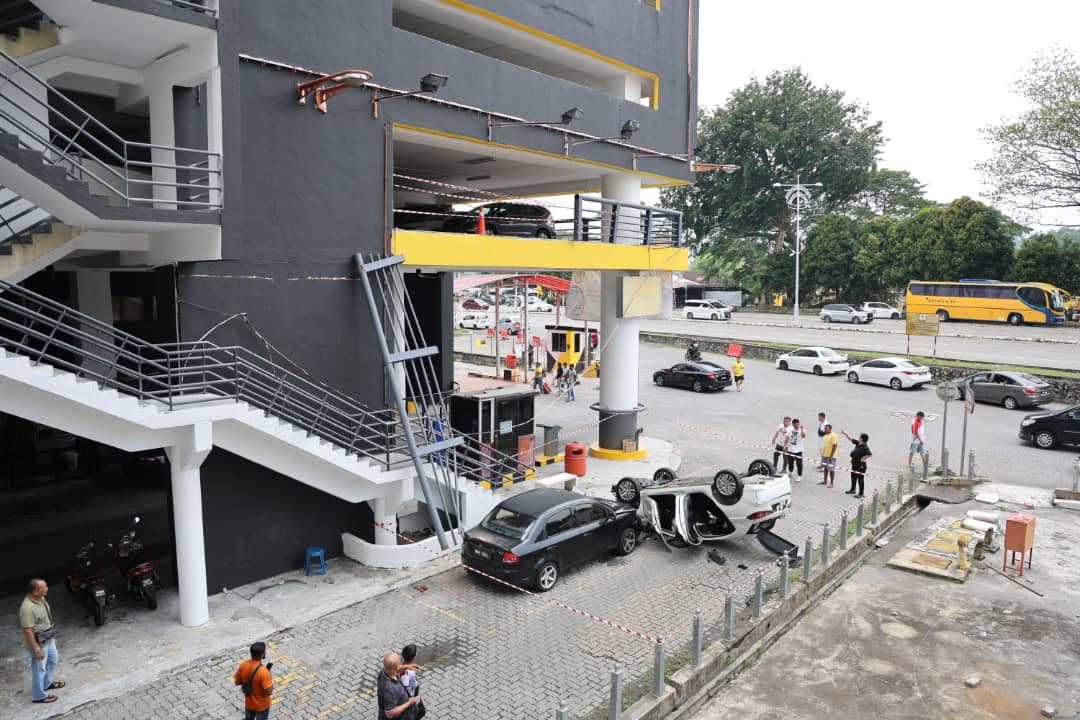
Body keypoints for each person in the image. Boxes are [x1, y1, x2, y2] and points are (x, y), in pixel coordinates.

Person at [20, 578, 62, 704]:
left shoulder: (40, 598)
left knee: (53, 660)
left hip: (48, 638)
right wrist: (37, 649)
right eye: (44, 587)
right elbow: (27, 631)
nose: (47, 588)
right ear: (36, 592)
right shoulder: (27, 608)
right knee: (39, 669)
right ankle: (39, 696)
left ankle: (47, 683)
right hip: (39, 643)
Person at [233, 641, 273, 720]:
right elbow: (269, 692)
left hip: (249, 704)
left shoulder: (243, 665)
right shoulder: (264, 672)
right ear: (262, 654)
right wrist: (269, 675)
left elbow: (237, 682)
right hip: (262, 706)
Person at [378, 652, 422, 720]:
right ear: (396, 667)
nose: (401, 662)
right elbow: (389, 713)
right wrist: (409, 703)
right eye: (400, 662)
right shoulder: (390, 688)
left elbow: (394, 669)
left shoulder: (383, 672)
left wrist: (407, 666)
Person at [842, 431, 872, 498]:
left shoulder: (865, 447)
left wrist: (863, 458)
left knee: (860, 479)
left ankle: (861, 493)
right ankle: (853, 489)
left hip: (861, 467)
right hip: (854, 464)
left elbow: (870, 454)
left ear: (862, 439)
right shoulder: (858, 443)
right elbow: (851, 439)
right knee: (853, 477)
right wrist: (845, 434)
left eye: (859, 437)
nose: (858, 438)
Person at [399, 644, 425, 719]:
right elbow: (405, 687)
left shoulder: (402, 665)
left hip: (413, 691)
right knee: (420, 711)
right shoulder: (407, 673)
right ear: (414, 657)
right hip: (410, 695)